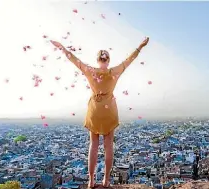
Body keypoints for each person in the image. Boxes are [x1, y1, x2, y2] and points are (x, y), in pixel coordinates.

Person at [50, 37, 149, 188]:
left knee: (93, 145)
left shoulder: (90, 71)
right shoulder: (115, 71)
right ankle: (106, 180)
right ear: (108, 60)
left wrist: (62, 47)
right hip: (109, 110)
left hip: (95, 110)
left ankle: (90, 180)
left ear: (98, 60)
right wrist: (140, 46)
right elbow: (130, 59)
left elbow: (74, 60)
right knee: (108, 146)